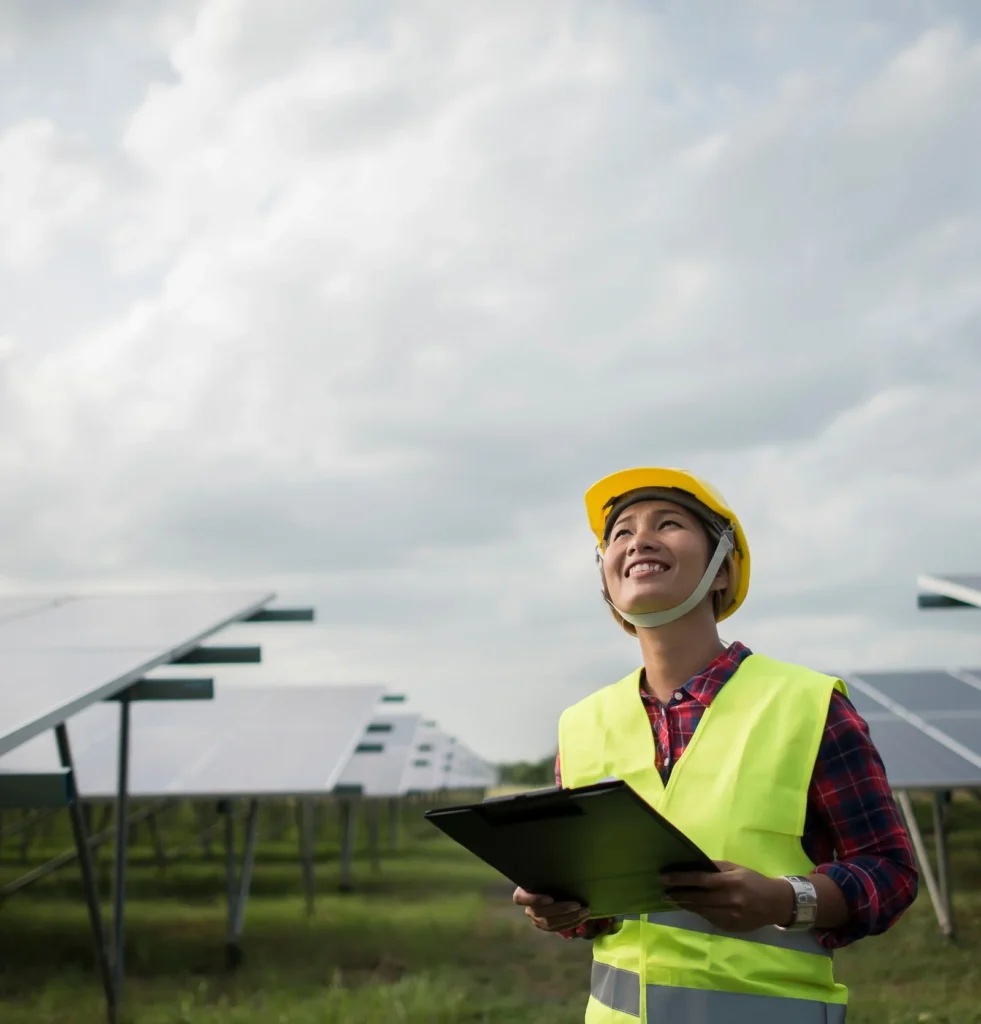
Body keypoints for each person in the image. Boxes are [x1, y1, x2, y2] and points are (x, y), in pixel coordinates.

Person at [512, 467, 918, 1023]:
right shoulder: (581, 724)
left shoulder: (808, 704)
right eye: (621, 533)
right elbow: (597, 915)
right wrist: (560, 909)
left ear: (722, 571)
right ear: (606, 576)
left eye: (669, 523)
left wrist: (784, 899)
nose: (639, 540)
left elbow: (890, 872)